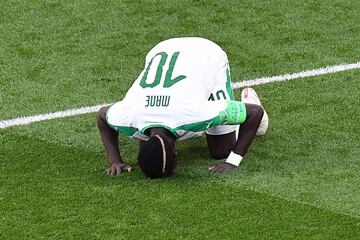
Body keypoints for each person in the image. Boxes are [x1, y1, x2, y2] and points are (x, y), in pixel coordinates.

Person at [97, 37, 268, 178]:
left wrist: (232, 161)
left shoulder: (195, 115)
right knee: (151, 152)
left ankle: (249, 100)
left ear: (175, 151)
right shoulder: (128, 117)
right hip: (161, 48)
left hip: (206, 54)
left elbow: (255, 113)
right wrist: (115, 161)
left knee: (221, 150)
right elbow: (102, 115)